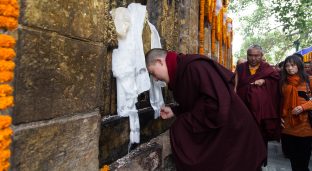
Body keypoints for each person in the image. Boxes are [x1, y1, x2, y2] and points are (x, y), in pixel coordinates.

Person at [145, 48, 266, 171]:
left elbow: (217, 104)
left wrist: (184, 122)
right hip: (229, 128)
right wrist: (176, 111)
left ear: (160, 61)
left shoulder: (195, 66)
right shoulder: (181, 71)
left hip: (236, 128)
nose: (154, 79)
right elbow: (197, 102)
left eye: (153, 73)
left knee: (179, 129)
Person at [234, 44, 281, 166]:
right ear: (247, 55)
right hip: (243, 108)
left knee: (259, 137)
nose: (253, 58)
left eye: (257, 56)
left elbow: (276, 84)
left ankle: (258, 162)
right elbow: (235, 85)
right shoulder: (241, 68)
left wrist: (265, 81)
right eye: (250, 55)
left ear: (262, 56)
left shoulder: (268, 69)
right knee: (243, 137)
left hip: (261, 112)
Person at [280, 55, 312, 171]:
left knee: (303, 163)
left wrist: (303, 107)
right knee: (294, 162)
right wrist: (280, 117)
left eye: (292, 65)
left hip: (305, 127)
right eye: (287, 66)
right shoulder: (283, 83)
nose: (289, 68)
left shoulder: (309, 80)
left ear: (299, 65)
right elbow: (280, 102)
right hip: (288, 127)